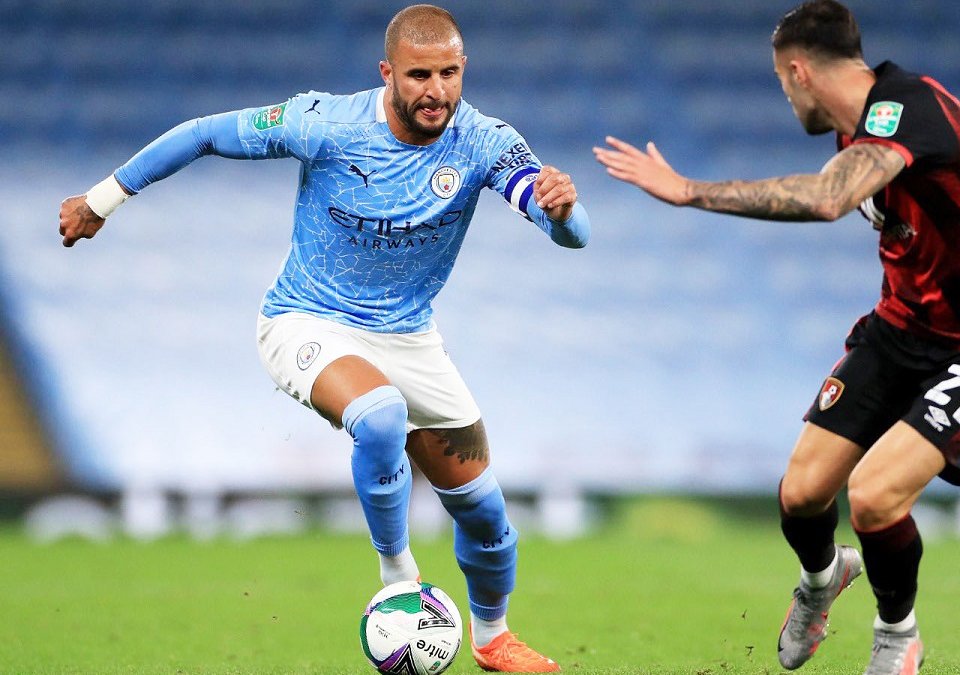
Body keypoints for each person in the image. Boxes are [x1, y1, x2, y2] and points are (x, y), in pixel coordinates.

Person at [594, 1, 960, 673]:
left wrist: (687, 191)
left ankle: (897, 633)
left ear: (799, 71)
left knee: (875, 497)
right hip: (905, 324)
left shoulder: (906, 110)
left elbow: (829, 199)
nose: (787, 97)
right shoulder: (869, 129)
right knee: (801, 494)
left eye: (781, 83)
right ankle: (823, 579)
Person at [59, 5, 585, 672]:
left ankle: (493, 637)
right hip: (305, 319)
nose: (436, 91)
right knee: (380, 414)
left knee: (485, 515)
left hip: (410, 337)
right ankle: (398, 579)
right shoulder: (326, 123)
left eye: (449, 74)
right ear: (387, 72)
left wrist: (562, 210)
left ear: (463, 70)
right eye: (419, 75)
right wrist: (101, 199)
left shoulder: (483, 141)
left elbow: (571, 232)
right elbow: (204, 133)